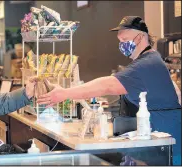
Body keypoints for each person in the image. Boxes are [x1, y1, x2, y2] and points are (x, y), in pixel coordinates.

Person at [37, 16, 181, 165]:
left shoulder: (147, 63)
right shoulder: (147, 61)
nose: (122, 46)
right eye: (120, 42)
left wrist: (64, 93)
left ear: (140, 37)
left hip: (168, 146)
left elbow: (108, 85)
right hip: (156, 140)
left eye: (125, 40)